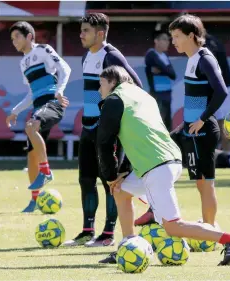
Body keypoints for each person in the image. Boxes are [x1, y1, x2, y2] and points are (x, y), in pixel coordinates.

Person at [96, 65, 230, 266]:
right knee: (121, 191)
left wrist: (109, 176)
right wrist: (121, 174)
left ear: (113, 82)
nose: (99, 90)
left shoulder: (114, 100)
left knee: (173, 227)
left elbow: (105, 142)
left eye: (101, 84)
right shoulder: (143, 96)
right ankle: (128, 244)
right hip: (169, 160)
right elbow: (139, 134)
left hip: (155, 167)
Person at [135, 15, 229, 232]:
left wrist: (202, 119)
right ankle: (158, 211)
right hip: (190, 129)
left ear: (192, 36)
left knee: (206, 183)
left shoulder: (205, 58)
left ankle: (210, 228)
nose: (173, 41)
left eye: (177, 36)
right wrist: (185, 125)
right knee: (196, 181)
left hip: (203, 130)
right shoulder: (192, 58)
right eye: (172, 36)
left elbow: (221, 92)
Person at [62, 13, 143, 248]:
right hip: (88, 128)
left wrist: (118, 122)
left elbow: (135, 85)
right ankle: (87, 231)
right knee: (86, 180)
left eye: (85, 30)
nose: (81, 34)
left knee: (110, 181)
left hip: (106, 131)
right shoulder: (87, 56)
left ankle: (107, 235)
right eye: (81, 30)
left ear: (100, 33)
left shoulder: (111, 56)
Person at [6, 21, 71, 212]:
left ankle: (46, 171)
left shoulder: (43, 50)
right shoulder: (22, 63)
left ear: (29, 36)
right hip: (38, 108)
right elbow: (31, 94)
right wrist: (15, 111)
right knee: (31, 155)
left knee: (30, 126)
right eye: (11, 39)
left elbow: (65, 69)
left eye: (17, 37)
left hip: (52, 103)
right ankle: (34, 200)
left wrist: (59, 91)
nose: (14, 41)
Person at [204, 33, 230, 153]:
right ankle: (228, 153)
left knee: (222, 124)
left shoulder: (207, 44)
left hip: (222, 88)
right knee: (220, 123)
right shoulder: (213, 40)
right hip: (223, 87)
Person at [145, 30, 176, 130]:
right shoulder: (151, 54)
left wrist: (162, 70)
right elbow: (168, 70)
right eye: (164, 39)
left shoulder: (165, 56)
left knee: (167, 123)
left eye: (168, 40)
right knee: (158, 121)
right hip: (157, 93)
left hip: (167, 93)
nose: (168, 42)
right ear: (156, 41)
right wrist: (165, 69)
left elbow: (173, 74)